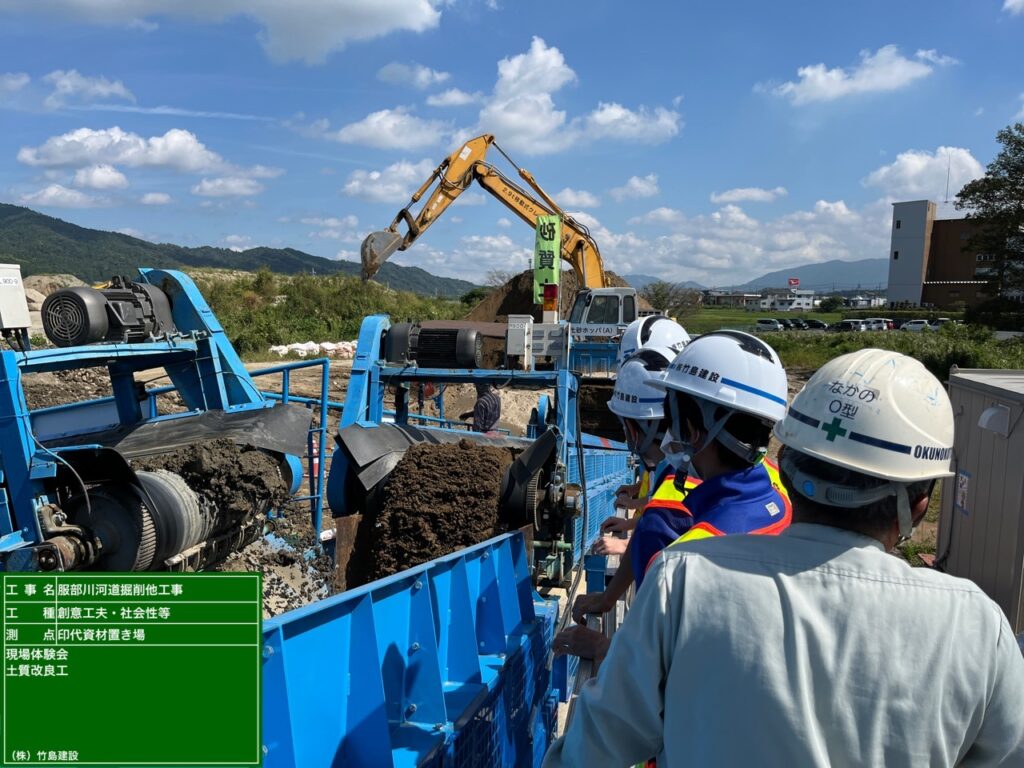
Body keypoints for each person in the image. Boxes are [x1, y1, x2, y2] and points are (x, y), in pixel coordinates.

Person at [544, 349, 1024, 767]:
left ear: (789, 468)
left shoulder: (686, 581)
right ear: (920, 503)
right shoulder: (979, 626)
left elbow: (591, 751)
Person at [555, 331, 791, 661]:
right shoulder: (779, 489)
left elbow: (659, 664)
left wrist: (600, 646)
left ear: (692, 431)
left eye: (674, 417)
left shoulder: (687, 563)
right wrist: (608, 598)